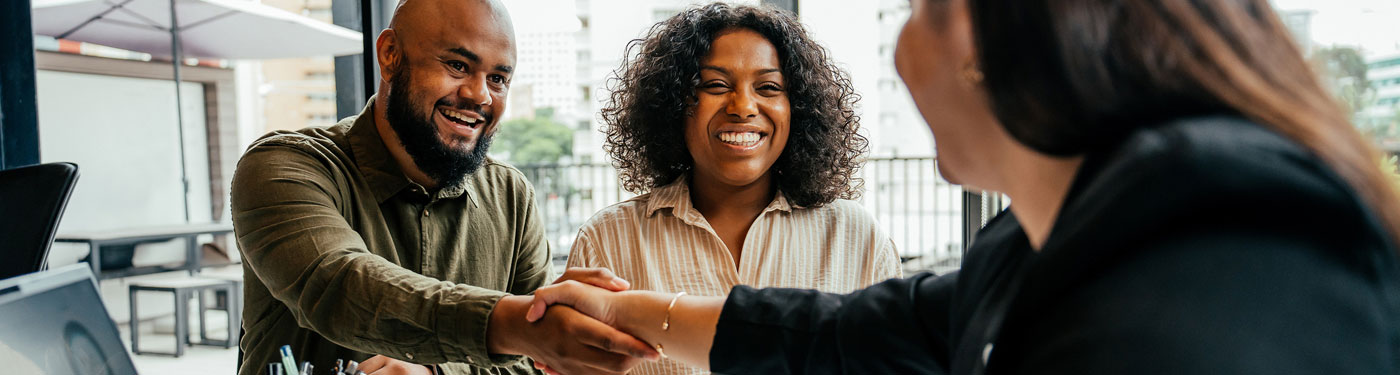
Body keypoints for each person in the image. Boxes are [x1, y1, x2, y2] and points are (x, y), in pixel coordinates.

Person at [524, 0, 1400, 373]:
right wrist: (626, 309)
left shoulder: (1223, 237)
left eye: (918, 6)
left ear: (992, 40)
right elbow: (848, 335)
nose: (902, 50)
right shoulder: (1031, 247)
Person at [230, 1, 656, 374]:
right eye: (457, 65)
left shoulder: (512, 196)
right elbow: (339, 286)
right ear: (390, 54)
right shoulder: (284, 165)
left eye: (498, 79)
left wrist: (438, 371)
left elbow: (534, 365)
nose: (479, 96)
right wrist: (516, 325)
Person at [561, 4, 902, 374]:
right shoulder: (607, 241)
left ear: (798, 108)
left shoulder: (857, 239)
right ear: (673, 104)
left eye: (769, 87)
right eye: (716, 85)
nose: (742, 107)